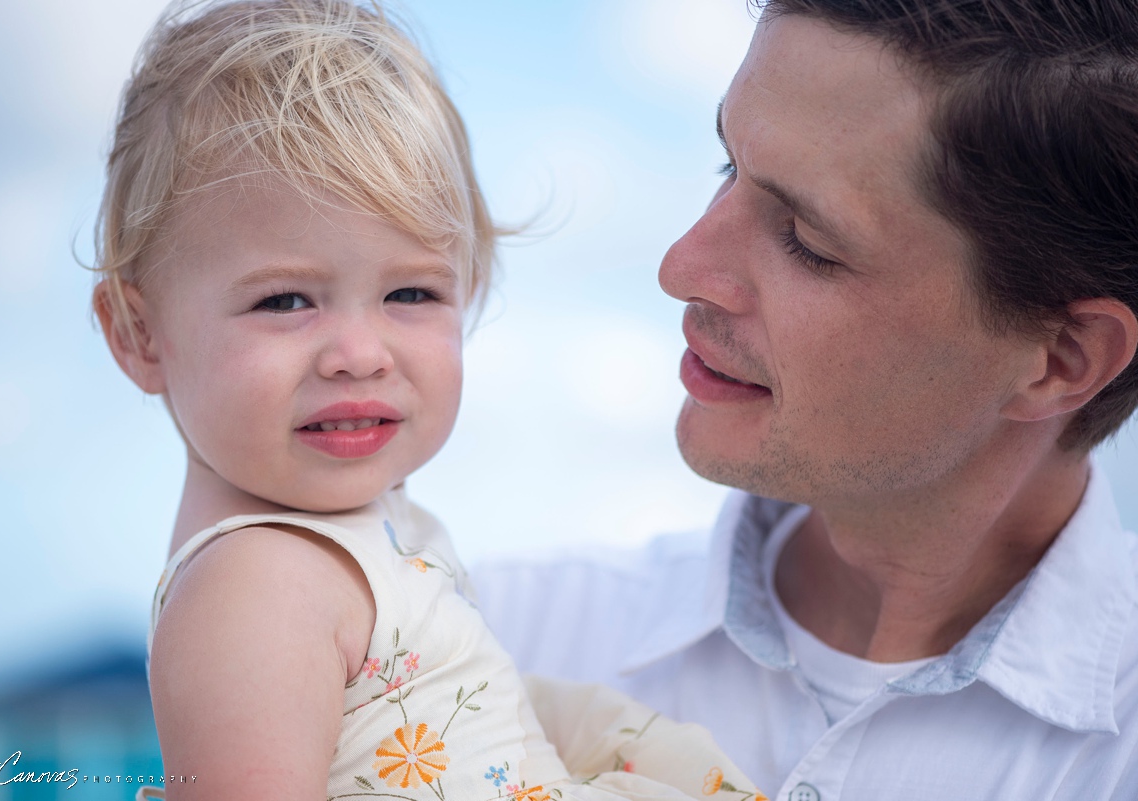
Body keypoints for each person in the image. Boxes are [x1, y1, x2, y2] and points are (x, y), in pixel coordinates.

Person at [90, 1, 764, 799]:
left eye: (410, 292)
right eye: (284, 301)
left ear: (468, 293)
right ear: (142, 335)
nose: (359, 354)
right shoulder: (254, 589)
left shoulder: (373, 537)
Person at [476, 1, 1138, 799]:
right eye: (727, 167)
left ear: (1062, 360)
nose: (682, 266)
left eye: (808, 242)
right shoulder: (477, 639)